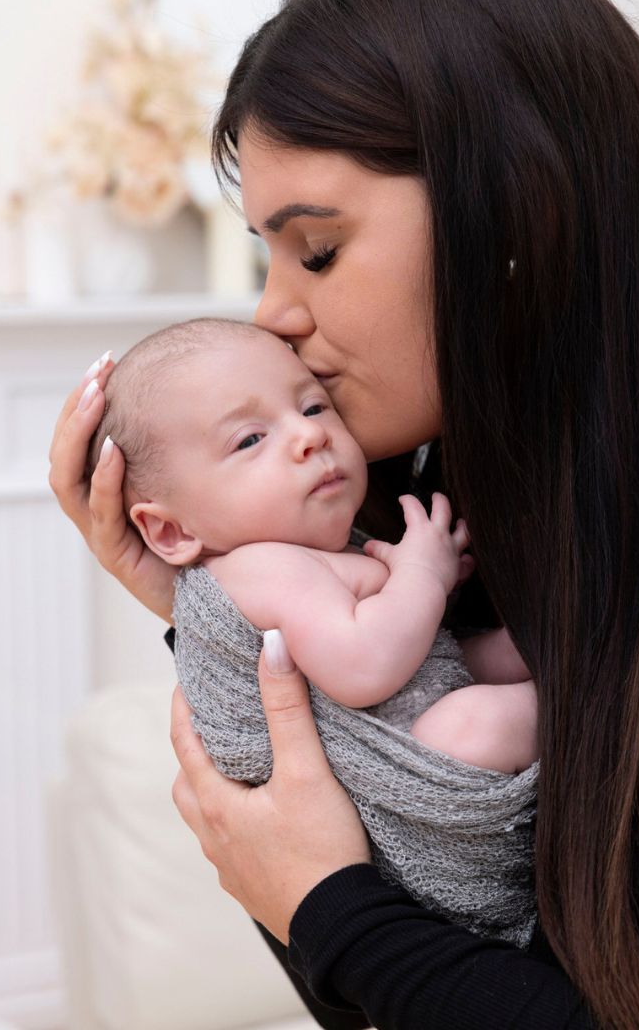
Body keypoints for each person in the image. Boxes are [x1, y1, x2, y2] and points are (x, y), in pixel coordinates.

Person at [49, 0, 639, 1027]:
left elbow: (362, 936)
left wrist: (331, 909)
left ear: (522, 205)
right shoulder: (457, 517)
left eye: (318, 251)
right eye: (269, 258)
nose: (273, 315)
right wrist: (218, 616)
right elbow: (392, 977)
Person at [83, 317, 537, 775]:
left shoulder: (315, 551)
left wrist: (420, 584)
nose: (310, 435)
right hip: (402, 761)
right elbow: (366, 666)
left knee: (517, 649)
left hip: (417, 700)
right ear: (171, 532)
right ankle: (583, 704)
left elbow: (422, 655)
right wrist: (423, 576)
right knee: (471, 727)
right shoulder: (258, 569)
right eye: (251, 439)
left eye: (314, 407)